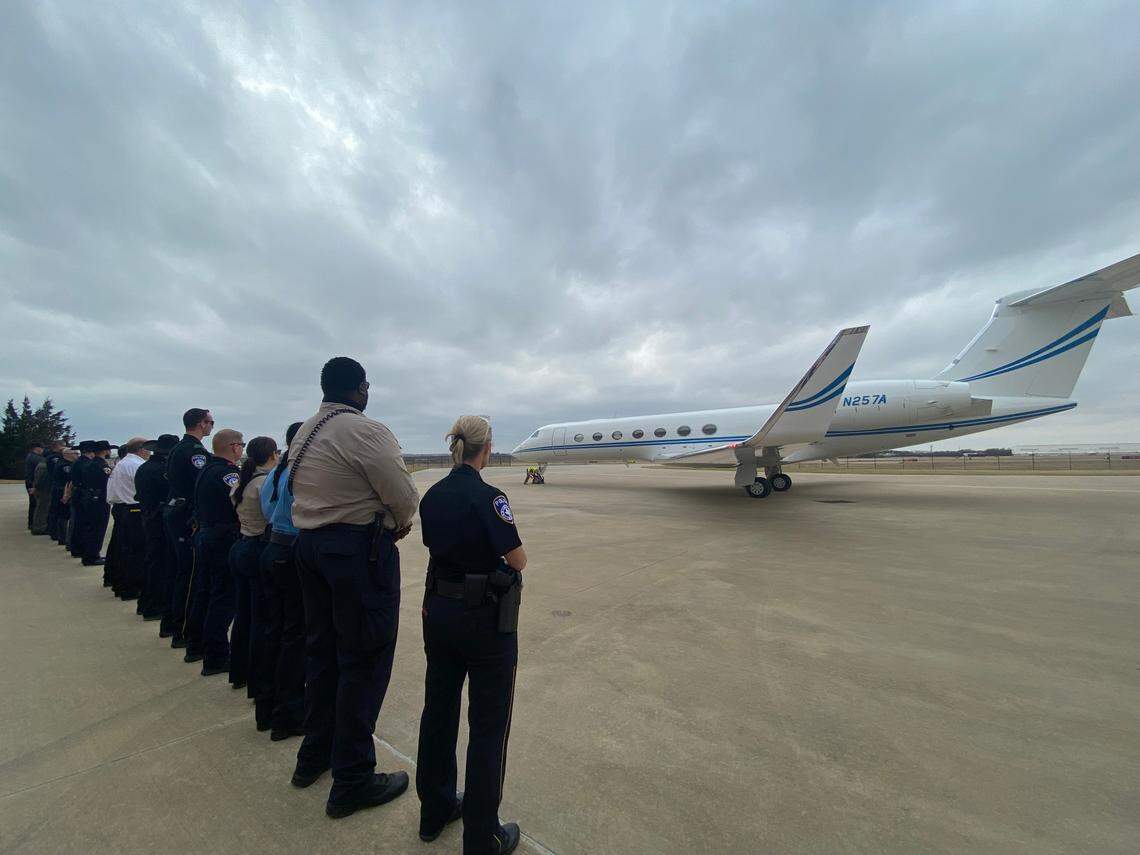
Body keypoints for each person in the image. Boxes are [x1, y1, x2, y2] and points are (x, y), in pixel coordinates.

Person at [288, 356, 418, 819]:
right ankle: (353, 780)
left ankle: (314, 757)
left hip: (311, 548)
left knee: (323, 656)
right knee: (364, 659)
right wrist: (397, 525)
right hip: (355, 552)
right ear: (360, 388)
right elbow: (402, 495)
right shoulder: (364, 429)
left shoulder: (307, 429)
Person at [416, 416, 526, 854]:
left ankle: (435, 808)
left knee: (438, 711)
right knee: (487, 725)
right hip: (484, 621)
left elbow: (437, 554)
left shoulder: (433, 495)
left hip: (439, 612)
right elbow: (516, 559)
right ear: (487, 448)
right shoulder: (489, 497)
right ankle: (483, 836)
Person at [259, 421, 306, 742]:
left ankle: (267, 706)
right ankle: (289, 713)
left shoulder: (277, 472)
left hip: (273, 547)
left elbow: (267, 510)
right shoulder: (301, 471)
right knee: (297, 635)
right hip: (293, 551)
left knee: (274, 629)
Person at [185, 429, 243, 676]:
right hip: (222, 538)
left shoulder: (207, 469)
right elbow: (241, 505)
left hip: (206, 535)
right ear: (233, 447)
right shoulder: (228, 473)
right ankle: (216, 655)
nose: (242, 449)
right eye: (241, 444)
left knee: (205, 591)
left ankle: (196, 644)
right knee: (223, 597)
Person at [228, 435, 277, 703]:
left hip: (243, 544)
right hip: (258, 547)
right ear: (271, 455)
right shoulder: (265, 482)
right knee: (262, 618)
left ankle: (240, 671)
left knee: (244, 615)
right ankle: (259, 681)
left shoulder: (241, 481)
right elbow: (273, 516)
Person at [165, 408, 214, 650]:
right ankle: (183, 630)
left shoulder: (179, 448)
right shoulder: (194, 451)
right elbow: (201, 484)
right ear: (200, 423)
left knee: (182, 572)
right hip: (188, 518)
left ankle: (172, 624)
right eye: (209, 422)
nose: (211, 426)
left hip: (177, 514)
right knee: (191, 574)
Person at [136, 435, 178, 629]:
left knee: (152, 560)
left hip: (148, 515)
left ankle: (146, 602)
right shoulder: (163, 470)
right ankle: (155, 604)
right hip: (159, 519)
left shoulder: (144, 468)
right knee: (161, 563)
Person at [105, 438, 151, 600]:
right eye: (148, 449)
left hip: (122, 507)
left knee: (122, 548)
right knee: (136, 551)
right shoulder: (136, 465)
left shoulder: (122, 463)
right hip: (133, 509)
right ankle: (131, 587)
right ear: (142, 449)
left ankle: (120, 583)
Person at [77, 441, 116, 566]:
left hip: (88, 497)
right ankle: (92, 556)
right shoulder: (102, 466)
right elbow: (109, 481)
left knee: (89, 527)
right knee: (98, 528)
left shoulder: (88, 464)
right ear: (105, 451)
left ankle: (88, 554)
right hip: (99, 499)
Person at [66, 441, 96, 556]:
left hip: (78, 493)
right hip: (83, 494)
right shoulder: (85, 463)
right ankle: (79, 548)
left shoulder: (78, 462)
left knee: (78, 522)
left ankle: (76, 547)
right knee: (82, 523)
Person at [50, 446, 79, 543]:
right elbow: (69, 479)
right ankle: (62, 537)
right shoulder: (65, 466)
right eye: (75, 453)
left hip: (60, 490)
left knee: (61, 514)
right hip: (62, 492)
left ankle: (59, 535)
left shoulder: (64, 463)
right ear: (68, 455)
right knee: (63, 515)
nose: (77, 455)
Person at [30, 443, 59, 535]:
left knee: (41, 509)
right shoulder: (44, 466)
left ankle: (38, 526)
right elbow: (41, 480)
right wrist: (37, 488)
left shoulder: (41, 464)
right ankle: (39, 528)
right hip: (44, 491)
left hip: (41, 490)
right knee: (42, 509)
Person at [25, 441, 45, 530]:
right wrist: (33, 486)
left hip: (30, 482)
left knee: (33, 504)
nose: (43, 450)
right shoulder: (36, 458)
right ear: (37, 448)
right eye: (42, 448)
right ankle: (33, 523)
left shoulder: (30, 456)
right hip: (33, 483)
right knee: (35, 504)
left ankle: (31, 523)